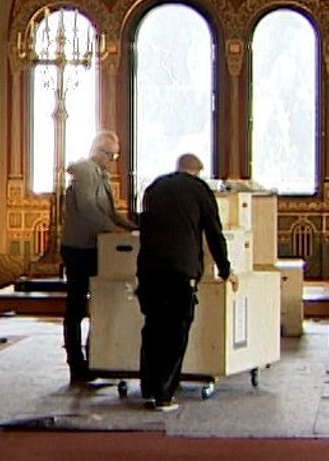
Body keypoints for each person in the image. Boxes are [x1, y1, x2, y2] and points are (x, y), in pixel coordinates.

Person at [134, 154, 232, 411]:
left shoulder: (155, 187)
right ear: (197, 172)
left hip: (148, 269)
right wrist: (226, 270)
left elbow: (144, 225)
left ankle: (149, 386)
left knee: (153, 326)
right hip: (180, 270)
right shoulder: (200, 190)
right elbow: (214, 232)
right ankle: (164, 395)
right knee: (176, 330)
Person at [61, 130, 135, 385]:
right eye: (112, 155)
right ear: (99, 151)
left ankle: (96, 358)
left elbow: (111, 212)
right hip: (78, 249)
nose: (113, 161)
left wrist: (132, 228)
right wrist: (111, 229)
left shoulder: (101, 176)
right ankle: (76, 363)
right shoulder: (83, 170)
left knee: (98, 303)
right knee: (76, 306)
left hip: (97, 249)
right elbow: (88, 206)